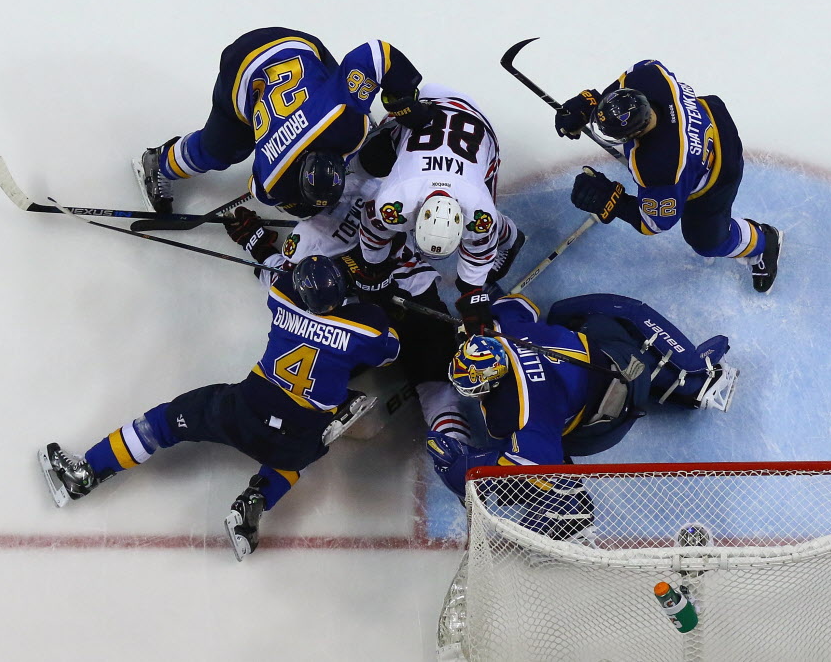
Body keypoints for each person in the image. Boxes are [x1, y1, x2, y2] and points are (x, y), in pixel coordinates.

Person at [38, 255, 401, 562]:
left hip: (244, 410)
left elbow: (276, 270)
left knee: (161, 425)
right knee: (298, 453)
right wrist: (376, 298)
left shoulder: (281, 295)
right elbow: (391, 352)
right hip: (297, 439)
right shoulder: (366, 326)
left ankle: (86, 473)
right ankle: (252, 505)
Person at [424, 292, 737, 540]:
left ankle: (569, 509)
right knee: (577, 314)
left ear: (491, 380)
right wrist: (484, 318)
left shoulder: (523, 409)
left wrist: (465, 467)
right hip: (613, 358)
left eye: (474, 387)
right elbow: (518, 304)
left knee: (526, 454)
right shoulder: (505, 332)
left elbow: (527, 471)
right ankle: (691, 382)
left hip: (607, 421)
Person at [224, 155, 470, 445]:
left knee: (310, 337)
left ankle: (327, 402)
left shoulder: (303, 242)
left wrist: (258, 246)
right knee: (436, 385)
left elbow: (288, 286)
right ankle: (456, 450)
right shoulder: (361, 180)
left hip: (370, 322)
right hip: (418, 294)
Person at [136, 27, 431, 219]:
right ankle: (159, 163)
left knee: (348, 102)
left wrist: (401, 101)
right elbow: (258, 188)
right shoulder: (271, 176)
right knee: (222, 150)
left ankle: (348, 94)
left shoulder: (345, 121)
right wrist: (401, 98)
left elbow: (377, 54)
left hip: (293, 44)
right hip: (242, 71)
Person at [554, 60, 783, 293]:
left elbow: (653, 223)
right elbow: (622, 89)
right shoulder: (649, 76)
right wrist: (592, 103)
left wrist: (615, 202)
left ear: (636, 133)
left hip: (719, 173)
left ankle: (763, 242)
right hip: (715, 119)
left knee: (707, 241)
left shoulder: (661, 168)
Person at [356, 83, 526, 336]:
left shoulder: (477, 209)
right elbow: (372, 226)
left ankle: (511, 238)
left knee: (489, 226)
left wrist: (471, 293)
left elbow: (373, 231)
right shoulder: (395, 200)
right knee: (367, 162)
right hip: (423, 105)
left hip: (476, 125)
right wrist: (373, 269)